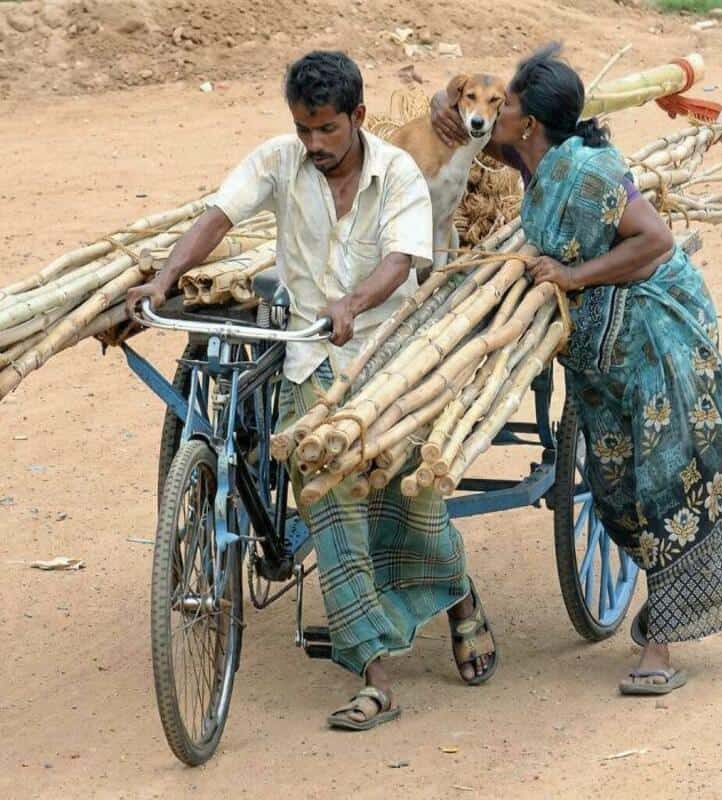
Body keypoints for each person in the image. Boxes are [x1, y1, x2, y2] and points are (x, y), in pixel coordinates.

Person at [127, 51, 497, 730]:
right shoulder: (277, 159)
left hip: (389, 353)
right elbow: (218, 218)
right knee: (325, 486)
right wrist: (162, 278)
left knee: (410, 493)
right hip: (305, 354)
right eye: (304, 130)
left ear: (358, 117)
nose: (315, 145)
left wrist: (354, 303)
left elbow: (402, 259)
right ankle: (374, 671)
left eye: (327, 130)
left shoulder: (399, 175)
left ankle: (458, 593)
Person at [432, 43, 722, 695]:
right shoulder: (528, 156)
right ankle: (666, 613)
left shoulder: (590, 172)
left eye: (505, 104)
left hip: (652, 338)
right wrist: (439, 104)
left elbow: (655, 240)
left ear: (530, 121)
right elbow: (466, 131)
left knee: (664, 483)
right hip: (595, 348)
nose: (496, 112)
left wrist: (572, 274)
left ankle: (659, 647)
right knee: (614, 487)